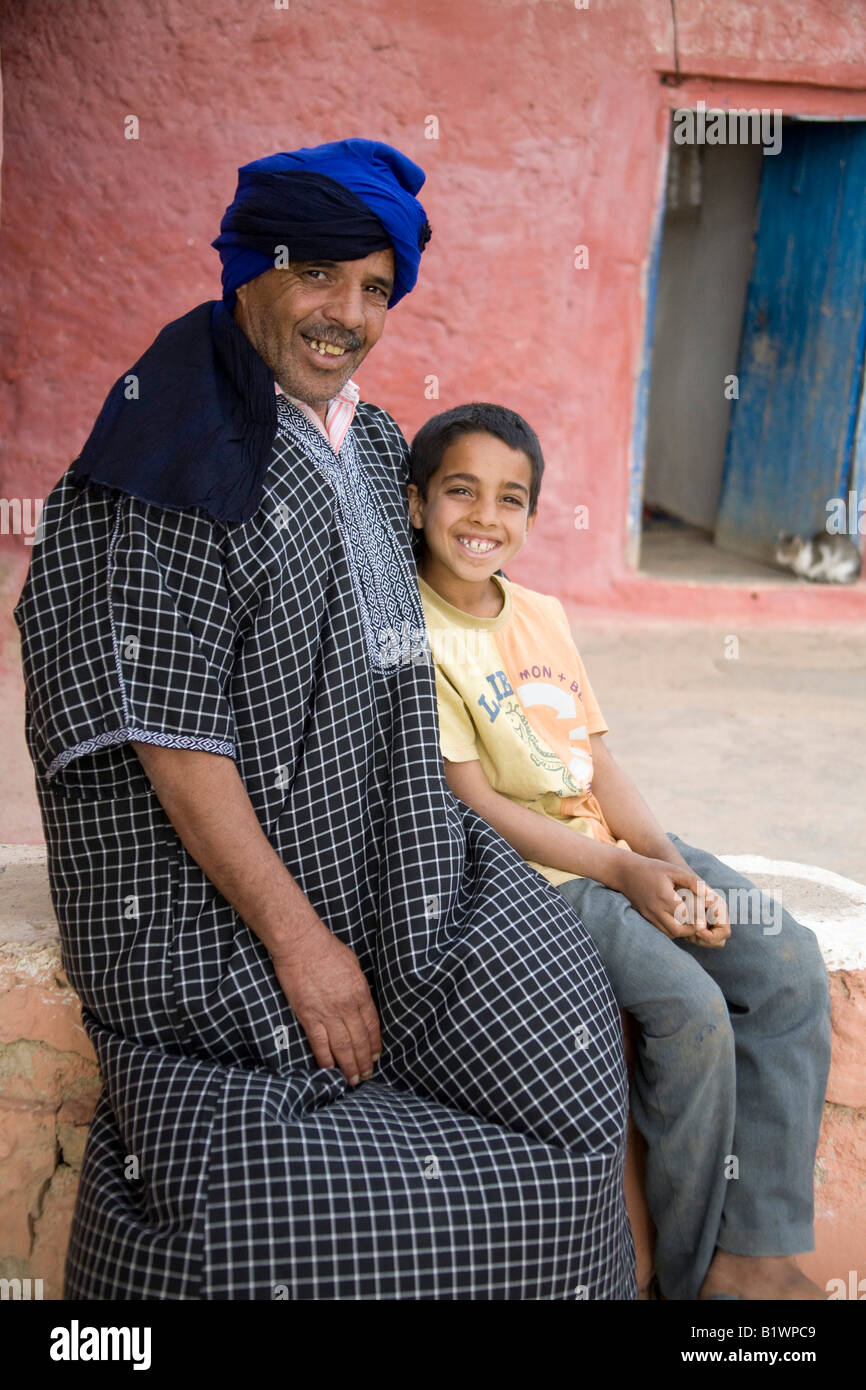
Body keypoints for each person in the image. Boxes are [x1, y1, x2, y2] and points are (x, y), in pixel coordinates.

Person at [14, 142, 635, 1300]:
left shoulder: (378, 441)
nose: (345, 315)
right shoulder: (173, 452)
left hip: (393, 863)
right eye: (318, 277)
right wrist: (304, 946)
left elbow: (421, 646)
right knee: (265, 1196)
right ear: (250, 268)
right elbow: (174, 736)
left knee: (563, 1070)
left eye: (374, 289)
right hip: (210, 914)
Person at [407, 401, 832, 1302]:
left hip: (613, 848)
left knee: (789, 961)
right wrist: (623, 874)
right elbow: (472, 799)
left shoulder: (543, 614)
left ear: (531, 513)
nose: (486, 517)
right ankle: (689, 1281)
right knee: (688, 1010)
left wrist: (664, 858)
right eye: (460, 492)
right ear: (414, 504)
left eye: (511, 499)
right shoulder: (414, 636)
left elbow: (595, 758)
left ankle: (752, 1252)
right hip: (538, 877)